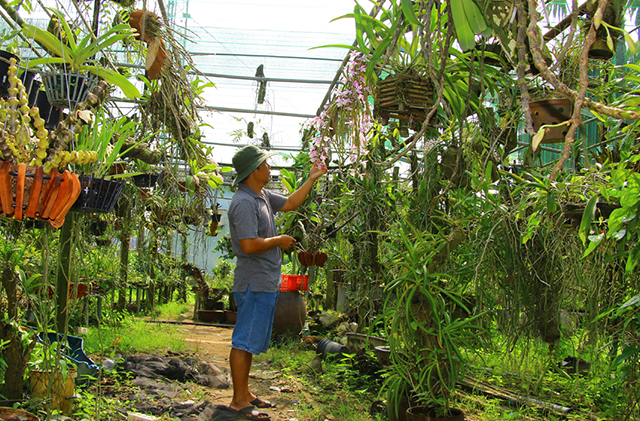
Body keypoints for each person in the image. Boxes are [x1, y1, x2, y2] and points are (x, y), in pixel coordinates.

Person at [226, 145, 327, 420]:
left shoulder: (262, 196)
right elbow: (248, 245)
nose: (270, 168)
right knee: (244, 340)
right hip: (254, 281)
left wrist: (311, 178)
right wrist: (279, 240)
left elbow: (292, 203)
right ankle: (237, 401)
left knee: (250, 339)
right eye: (266, 165)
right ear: (253, 171)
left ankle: (245, 394)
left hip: (265, 280)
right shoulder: (244, 203)